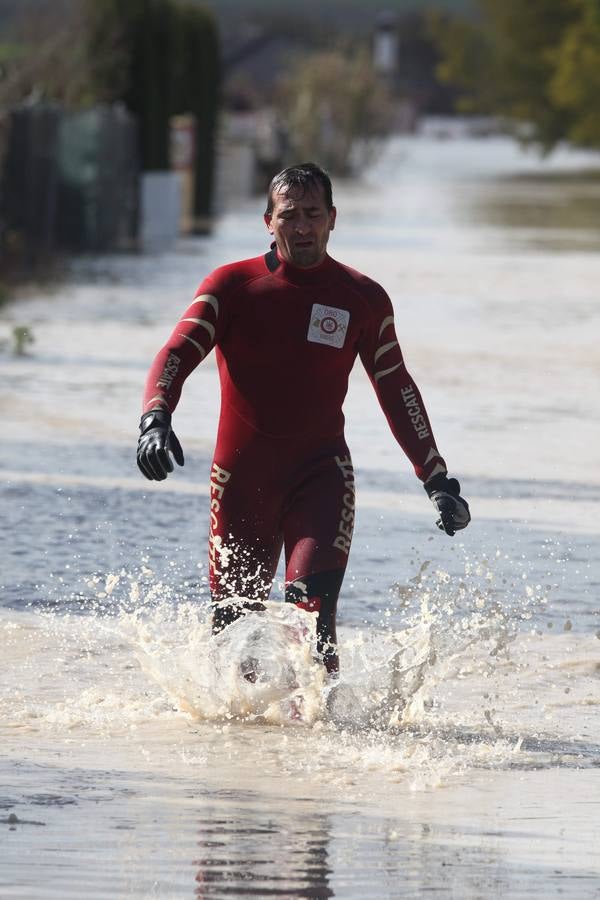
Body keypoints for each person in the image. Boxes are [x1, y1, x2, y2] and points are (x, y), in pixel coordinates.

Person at [136, 162, 470, 675]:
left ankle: (319, 724)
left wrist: (436, 478)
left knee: (313, 616)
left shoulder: (362, 298)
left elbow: (396, 388)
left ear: (332, 219)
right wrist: (155, 417)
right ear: (268, 222)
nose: (302, 227)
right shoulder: (232, 286)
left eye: (312, 214)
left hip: (321, 478)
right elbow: (177, 351)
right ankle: (240, 727)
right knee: (233, 633)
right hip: (240, 480)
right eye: (289, 215)